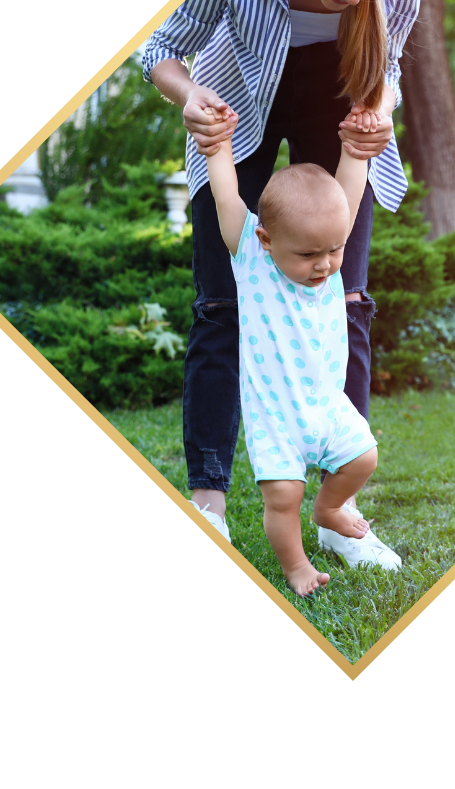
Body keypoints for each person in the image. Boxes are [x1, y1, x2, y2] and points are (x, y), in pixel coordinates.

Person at [142, 0, 418, 569]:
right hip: (239, 113)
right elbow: (162, 51)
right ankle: (208, 502)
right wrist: (191, 100)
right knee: (221, 306)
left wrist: (377, 118)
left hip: (339, 105)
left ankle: (337, 511)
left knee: (346, 298)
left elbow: (386, 71)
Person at [199, 109, 382, 595]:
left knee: (363, 457)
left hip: (327, 405)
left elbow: (349, 189)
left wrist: (353, 148)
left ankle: (329, 509)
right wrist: (218, 149)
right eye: (308, 255)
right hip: (276, 418)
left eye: (334, 251)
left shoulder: (327, 248)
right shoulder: (250, 257)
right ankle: (298, 566)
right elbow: (225, 196)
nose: (324, 266)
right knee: (282, 497)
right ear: (266, 239)